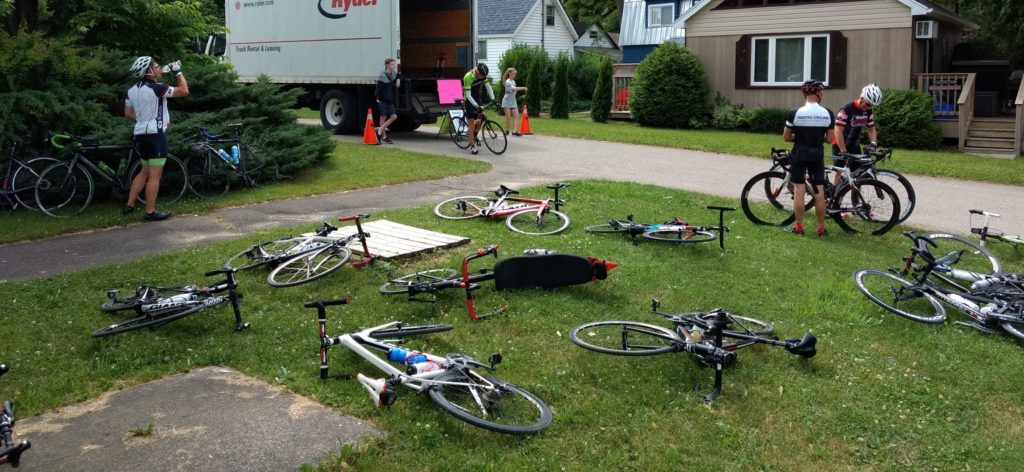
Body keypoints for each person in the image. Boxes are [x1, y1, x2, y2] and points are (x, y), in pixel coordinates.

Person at [124, 56, 189, 221]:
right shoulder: (157, 88)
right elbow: (184, 91)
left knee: (144, 170)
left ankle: (129, 204)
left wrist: (144, 119)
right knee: (155, 175)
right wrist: (178, 72)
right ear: (149, 71)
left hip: (140, 134)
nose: (160, 69)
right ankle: (150, 212)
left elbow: (128, 113)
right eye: (157, 66)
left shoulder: (131, 90)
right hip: (156, 135)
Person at [783, 79, 835, 237]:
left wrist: (797, 139)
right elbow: (829, 139)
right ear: (819, 93)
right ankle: (820, 228)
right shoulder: (828, 113)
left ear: (804, 94)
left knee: (799, 190)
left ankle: (799, 227)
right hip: (817, 155)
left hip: (799, 153)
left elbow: (786, 137)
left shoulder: (795, 112)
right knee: (819, 192)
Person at [832, 83, 882, 181]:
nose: (868, 107)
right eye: (867, 104)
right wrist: (843, 151)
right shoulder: (846, 109)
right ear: (862, 97)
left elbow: (871, 129)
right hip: (840, 144)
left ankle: (855, 196)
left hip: (854, 145)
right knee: (840, 172)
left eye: (871, 106)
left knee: (858, 174)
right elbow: (838, 131)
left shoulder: (868, 111)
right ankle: (836, 194)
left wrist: (873, 143)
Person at [462, 62, 494, 155]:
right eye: (482, 76)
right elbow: (468, 95)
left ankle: (474, 134)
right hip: (469, 100)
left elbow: (488, 87)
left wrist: (493, 99)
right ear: (477, 72)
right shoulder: (468, 77)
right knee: (471, 124)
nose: (483, 78)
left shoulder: (482, 76)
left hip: (477, 98)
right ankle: (472, 146)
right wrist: (477, 107)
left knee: (481, 117)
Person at [375, 58, 401, 144]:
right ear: (387, 65)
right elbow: (378, 89)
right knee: (383, 117)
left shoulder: (393, 74)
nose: (393, 66)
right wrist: (379, 98)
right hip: (382, 100)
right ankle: (384, 136)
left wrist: (398, 79)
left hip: (390, 100)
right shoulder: (382, 75)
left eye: (393, 64)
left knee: (394, 116)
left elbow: (398, 81)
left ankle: (380, 130)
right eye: (391, 64)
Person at [501, 68, 528, 136]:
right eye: (513, 73)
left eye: (515, 74)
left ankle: (514, 131)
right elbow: (514, 88)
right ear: (509, 73)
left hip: (513, 102)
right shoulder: (507, 82)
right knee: (508, 117)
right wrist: (523, 88)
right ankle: (506, 131)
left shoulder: (513, 81)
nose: (515, 75)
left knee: (517, 116)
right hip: (506, 102)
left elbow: (514, 90)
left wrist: (515, 91)